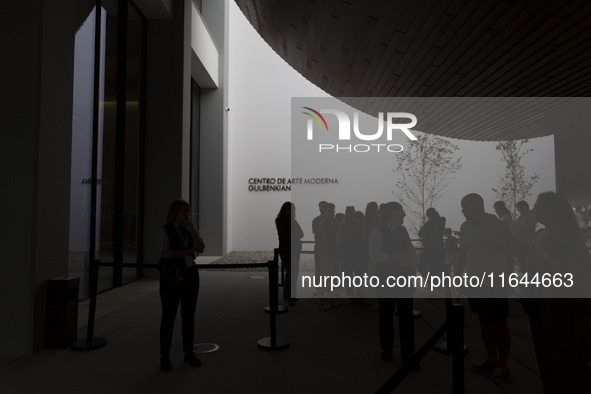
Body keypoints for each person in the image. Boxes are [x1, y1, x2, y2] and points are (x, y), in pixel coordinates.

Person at [523, 191, 591, 393]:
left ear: (552, 210)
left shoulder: (567, 235)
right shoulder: (542, 233)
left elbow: (583, 271)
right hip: (540, 304)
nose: (535, 209)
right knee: (549, 361)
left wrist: (555, 265)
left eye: (539, 205)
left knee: (565, 363)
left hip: (560, 308)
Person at [458, 193, 512, 382]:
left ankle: (503, 365)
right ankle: (491, 359)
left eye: (465, 206)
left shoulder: (499, 226)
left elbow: (509, 252)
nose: (462, 210)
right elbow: (463, 254)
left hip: (495, 283)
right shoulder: (465, 227)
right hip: (475, 283)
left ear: (477, 206)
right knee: (484, 322)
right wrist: (458, 277)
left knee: (499, 324)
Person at [156, 199, 205, 372]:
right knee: (168, 317)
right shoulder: (165, 231)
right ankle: (165, 357)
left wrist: (192, 232)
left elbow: (201, 247)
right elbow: (167, 254)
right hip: (171, 277)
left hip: (190, 276)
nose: (187, 215)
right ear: (175, 212)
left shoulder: (190, 229)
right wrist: (188, 252)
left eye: (188, 211)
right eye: (184, 211)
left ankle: (189, 352)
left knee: (188, 316)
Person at [368, 202, 417, 368]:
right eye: (401, 211)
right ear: (393, 213)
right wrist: (397, 257)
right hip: (386, 279)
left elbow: (410, 250)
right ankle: (387, 349)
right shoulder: (377, 232)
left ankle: (408, 355)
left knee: (406, 318)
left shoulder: (403, 231)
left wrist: (411, 261)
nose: (404, 214)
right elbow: (374, 256)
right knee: (386, 316)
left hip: (404, 279)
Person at [275, 202, 304, 306]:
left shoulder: (293, 221)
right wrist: (294, 233)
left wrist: (294, 233)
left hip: (295, 249)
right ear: (284, 210)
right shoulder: (280, 220)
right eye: (287, 209)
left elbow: (301, 233)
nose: (289, 211)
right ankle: (289, 296)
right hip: (286, 249)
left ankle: (290, 295)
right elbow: (288, 235)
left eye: (291, 209)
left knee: (294, 272)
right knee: (291, 272)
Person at [417, 207, 446, 278]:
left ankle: (432, 283)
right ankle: (441, 285)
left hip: (430, 248)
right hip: (440, 248)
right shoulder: (442, 221)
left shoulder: (429, 223)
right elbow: (442, 218)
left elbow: (420, 233)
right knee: (438, 267)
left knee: (421, 266)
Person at [512, 200, 536, 273]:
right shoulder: (522, 216)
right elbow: (515, 226)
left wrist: (516, 229)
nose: (518, 210)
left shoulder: (530, 216)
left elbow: (520, 228)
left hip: (527, 242)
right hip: (521, 242)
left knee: (526, 262)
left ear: (524, 207)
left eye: (519, 208)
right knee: (522, 261)